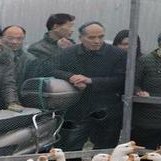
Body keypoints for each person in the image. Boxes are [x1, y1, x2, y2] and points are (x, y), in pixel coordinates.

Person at [51, 21, 126, 150]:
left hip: (107, 110)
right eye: (91, 37)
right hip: (76, 109)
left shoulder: (118, 54)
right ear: (81, 38)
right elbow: (53, 70)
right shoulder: (68, 53)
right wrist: (70, 78)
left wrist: (91, 81)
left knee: (104, 151)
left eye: (101, 37)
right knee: (70, 148)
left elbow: (121, 80)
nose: (97, 41)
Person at [2, 25, 39, 92]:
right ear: (2, 38)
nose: (14, 42)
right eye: (10, 38)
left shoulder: (30, 60)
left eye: (19, 39)